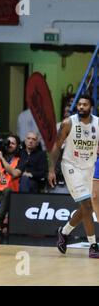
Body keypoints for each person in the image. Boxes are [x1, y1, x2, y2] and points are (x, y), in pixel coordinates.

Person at [47, 95, 99, 258]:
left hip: (89, 168)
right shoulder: (68, 123)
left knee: (85, 207)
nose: (81, 107)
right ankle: (93, 245)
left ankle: (64, 232)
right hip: (71, 167)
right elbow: (56, 146)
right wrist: (51, 169)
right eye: (79, 104)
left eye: (85, 104)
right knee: (87, 206)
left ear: (91, 106)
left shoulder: (98, 123)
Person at [0, 134, 21, 230]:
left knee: (7, 191)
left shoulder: (19, 160)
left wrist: (1, 157)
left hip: (7, 192)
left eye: (13, 143)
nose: (10, 145)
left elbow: (15, 174)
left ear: (17, 146)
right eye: (8, 142)